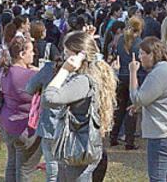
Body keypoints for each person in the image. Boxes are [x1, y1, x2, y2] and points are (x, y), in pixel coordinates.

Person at [42, 29, 117, 181]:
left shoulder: (83, 81)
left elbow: (48, 98)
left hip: (77, 148)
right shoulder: (96, 73)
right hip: (84, 145)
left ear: (79, 56)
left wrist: (64, 70)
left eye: (67, 52)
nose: (64, 56)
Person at [128, 37, 167, 182]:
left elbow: (137, 98)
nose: (139, 57)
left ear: (151, 55)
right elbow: (159, 95)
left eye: (141, 53)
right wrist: (141, 105)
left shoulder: (158, 73)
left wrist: (132, 72)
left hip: (165, 133)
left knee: (158, 177)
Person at [0, 35, 41, 182]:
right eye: (31, 51)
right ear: (22, 54)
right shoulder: (32, 75)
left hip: (8, 123)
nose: (34, 54)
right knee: (25, 169)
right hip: (25, 127)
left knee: (12, 163)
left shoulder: (3, 71)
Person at [26, 56, 63, 182]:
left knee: (52, 168)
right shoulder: (85, 70)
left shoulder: (49, 68)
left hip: (50, 123)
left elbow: (29, 88)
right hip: (72, 125)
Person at [109, 16, 143, 151]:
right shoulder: (139, 43)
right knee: (132, 109)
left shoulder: (120, 39)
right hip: (133, 76)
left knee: (120, 109)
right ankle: (129, 140)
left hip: (121, 76)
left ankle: (113, 136)